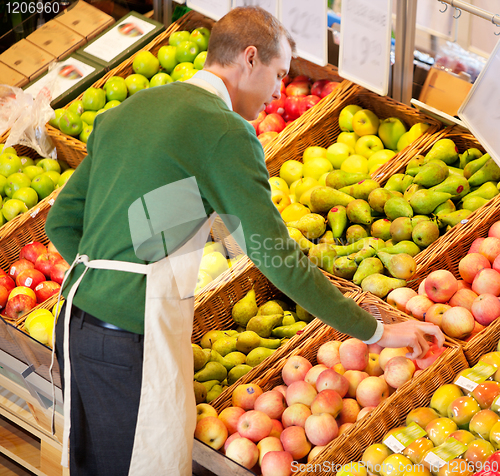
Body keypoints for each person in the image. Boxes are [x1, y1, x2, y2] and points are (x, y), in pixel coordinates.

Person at [45, 6, 444, 476]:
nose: (278, 91)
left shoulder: (131, 110)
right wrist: (376, 331)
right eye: (278, 74)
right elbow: (276, 256)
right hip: (132, 339)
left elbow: (61, 223)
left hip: (76, 325)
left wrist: (110, 281)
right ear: (249, 59)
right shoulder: (224, 131)